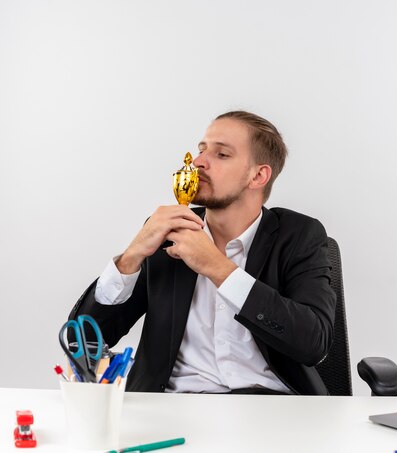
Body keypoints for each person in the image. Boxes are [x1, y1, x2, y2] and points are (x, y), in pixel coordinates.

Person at [69, 111, 336, 395]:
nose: (197, 163)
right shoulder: (168, 231)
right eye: (201, 150)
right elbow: (82, 341)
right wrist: (130, 258)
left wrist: (218, 268)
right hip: (173, 405)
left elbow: (313, 344)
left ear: (258, 175)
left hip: (270, 407)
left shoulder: (299, 236)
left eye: (221, 154)